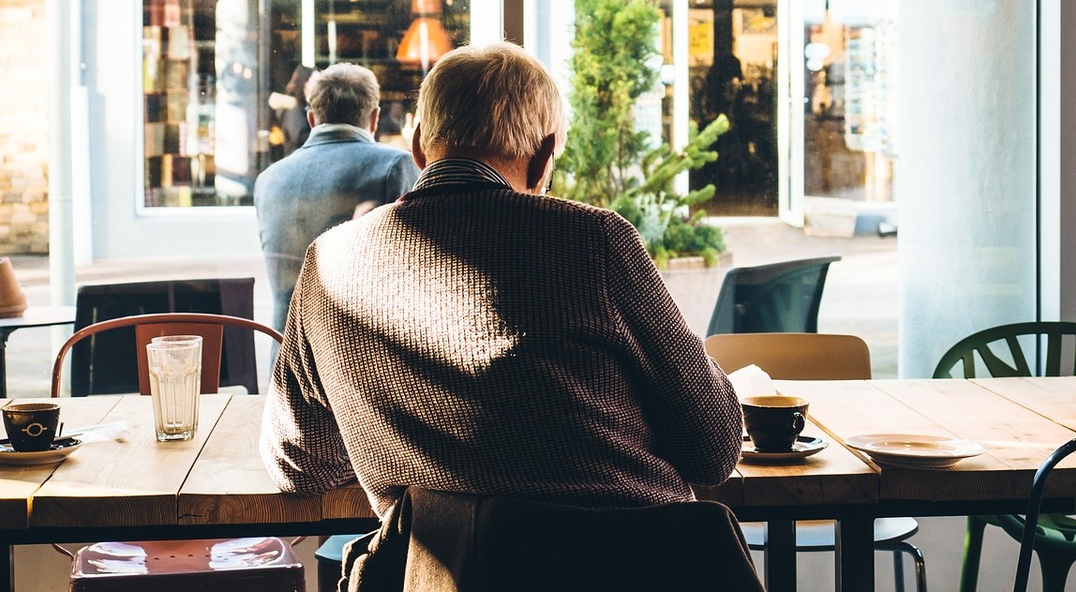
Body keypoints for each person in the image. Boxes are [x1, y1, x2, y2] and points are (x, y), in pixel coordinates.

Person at [260, 42, 742, 516]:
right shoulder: (595, 241)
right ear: (543, 157)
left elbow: (299, 464)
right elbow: (714, 449)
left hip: (442, 574)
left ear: (418, 147)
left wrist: (398, 436)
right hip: (634, 566)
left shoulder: (329, 262)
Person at [253, 62, 419, 333]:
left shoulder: (268, 179)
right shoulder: (394, 166)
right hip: (356, 359)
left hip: (284, 359)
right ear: (375, 118)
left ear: (311, 119)